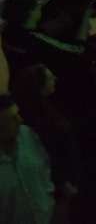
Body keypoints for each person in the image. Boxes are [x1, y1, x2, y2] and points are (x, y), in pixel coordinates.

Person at [0, 93, 54, 224]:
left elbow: (44, 164)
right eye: (12, 118)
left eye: (18, 114)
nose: (20, 120)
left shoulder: (27, 134)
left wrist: (49, 195)